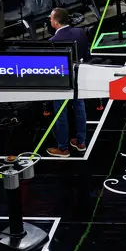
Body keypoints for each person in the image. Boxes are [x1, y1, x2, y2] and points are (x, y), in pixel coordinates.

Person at [46, 8, 90, 157]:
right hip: (79, 77)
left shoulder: (52, 42)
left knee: (61, 113)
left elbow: (50, 68)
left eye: (51, 19)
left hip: (62, 82)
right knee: (80, 109)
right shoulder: (80, 32)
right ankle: (81, 142)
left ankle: (63, 148)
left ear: (56, 23)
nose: (50, 21)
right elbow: (87, 56)